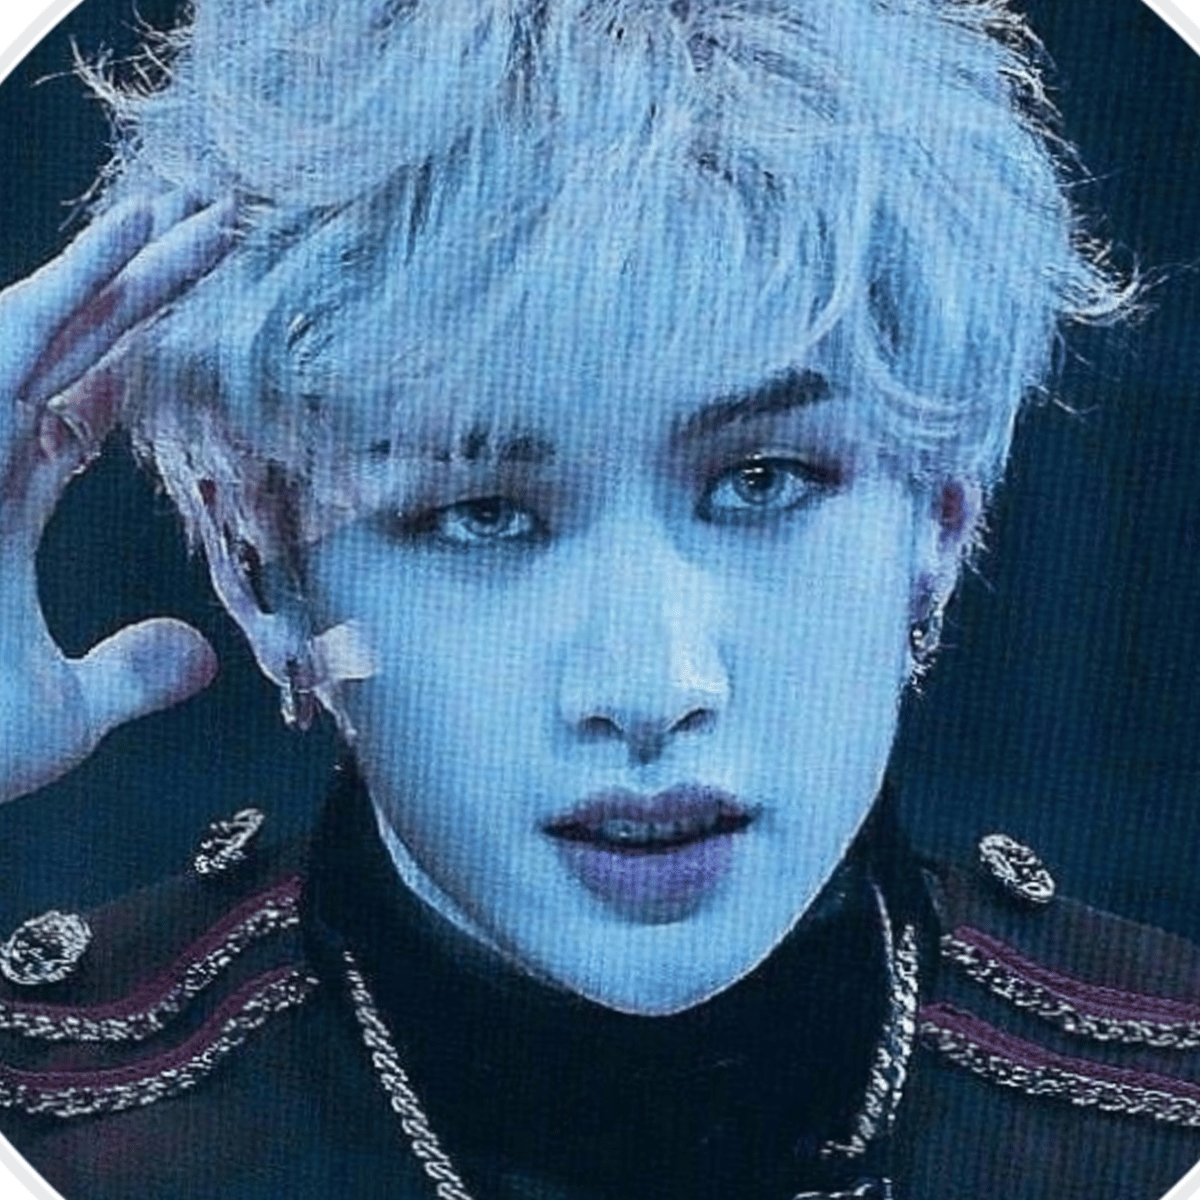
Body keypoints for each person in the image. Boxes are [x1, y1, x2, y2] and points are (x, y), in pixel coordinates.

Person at [0, 0, 1199, 1197]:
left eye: (764, 480)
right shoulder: (56, 1116)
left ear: (939, 519)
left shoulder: (1163, 1100)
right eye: (482, 512)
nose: (652, 689)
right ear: (261, 572)